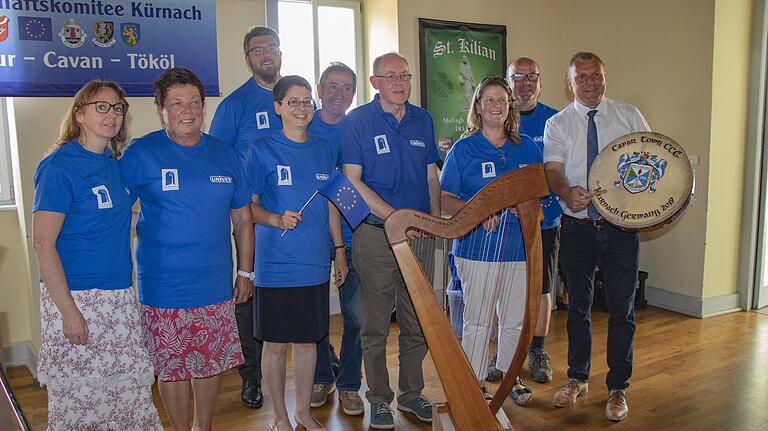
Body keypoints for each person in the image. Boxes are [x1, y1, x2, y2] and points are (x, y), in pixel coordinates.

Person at [120, 68, 254, 431]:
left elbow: (242, 219)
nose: (188, 110)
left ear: (204, 106)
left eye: (195, 101)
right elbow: (114, 212)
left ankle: (203, 425)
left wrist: (245, 271)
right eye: (176, 103)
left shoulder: (224, 155)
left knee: (209, 363)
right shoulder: (141, 153)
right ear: (161, 109)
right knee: (172, 367)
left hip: (214, 283)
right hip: (163, 287)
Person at [32, 80, 162, 430]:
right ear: (80, 114)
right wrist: (69, 312)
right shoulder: (59, 166)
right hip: (76, 299)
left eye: (118, 108)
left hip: (118, 298)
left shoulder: (114, 164)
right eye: (101, 107)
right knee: (80, 402)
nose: (112, 115)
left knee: (130, 397)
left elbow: (120, 217)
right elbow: (44, 244)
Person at [543, 52, 650, 421]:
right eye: (582, 77)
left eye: (596, 75)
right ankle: (577, 378)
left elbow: (648, 162)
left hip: (621, 231)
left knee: (622, 310)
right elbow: (552, 169)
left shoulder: (629, 115)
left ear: (604, 77)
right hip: (577, 228)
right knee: (578, 308)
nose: (590, 83)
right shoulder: (558, 124)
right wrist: (564, 192)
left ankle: (618, 387)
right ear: (569, 82)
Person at [341, 52, 440, 429]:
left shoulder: (423, 119)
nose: (400, 82)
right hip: (375, 236)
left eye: (405, 75)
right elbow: (352, 179)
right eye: (391, 76)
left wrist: (429, 223)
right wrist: (395, 218)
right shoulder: (357, 122)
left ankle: (412, 393)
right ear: (374, 82)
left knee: (419, 320)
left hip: (419, 236)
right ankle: (379, 399)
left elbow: (432, 177)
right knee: (376, 324)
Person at [245, 75, 347, 431]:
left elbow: (333, 204)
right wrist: (274, 218)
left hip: (315, 263)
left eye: (307, 102)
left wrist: (339, 249)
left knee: (307, 343)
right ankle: (280, 417)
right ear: (278, 107)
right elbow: (247, 209)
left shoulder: (323, 148)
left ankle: (303, 412)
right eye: (294, 102)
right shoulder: (261, 149)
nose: (302, 108)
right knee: (274, 345)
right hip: (275, 264)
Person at [439, 76, 540, 407]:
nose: (497, 106)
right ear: (478, 107)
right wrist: (478, 212)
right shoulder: (463, 149)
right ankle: (475, 381)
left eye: (503, 100)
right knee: (479, 319)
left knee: (514, 319)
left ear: (510, 106)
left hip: (519, 248)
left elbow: (539, 195)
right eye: (490, 100)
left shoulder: (527, 146)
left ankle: (511, 376)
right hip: (476, 249)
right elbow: (445, 199)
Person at [209, 25, 284, 409]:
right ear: (248, 58)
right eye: (258, 50)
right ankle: (251, 376)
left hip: (294, 219)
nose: (266, 54)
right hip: (250, 220)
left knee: (298, 290)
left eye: (271, 47)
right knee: (248, 297)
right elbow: (216, 161)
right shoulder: (234, 106)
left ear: (280, 52)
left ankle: (318, 361)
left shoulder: (297, 99)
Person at [306, 62, 365, 417]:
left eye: (346, 87)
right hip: (309, 237)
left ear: (354, 94)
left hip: (352, 235)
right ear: (318, 88)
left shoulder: (357, 128)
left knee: (356, 317)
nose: (338, 94)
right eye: (332, 86)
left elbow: (354, 189)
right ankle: (321, 374)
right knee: (313, 318)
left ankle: (349, 385)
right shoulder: (301, 122)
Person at [507, 56, 562, 384]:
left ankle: (537, 349)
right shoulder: (499, 117)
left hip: (545, 222)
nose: (525, 83)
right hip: (507, 225)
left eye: (532, 77)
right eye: (518, 77)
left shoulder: (555, 121)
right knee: (508, 289)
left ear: (540, 82)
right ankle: (508, 350)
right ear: (508, 80)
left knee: (541, 288)